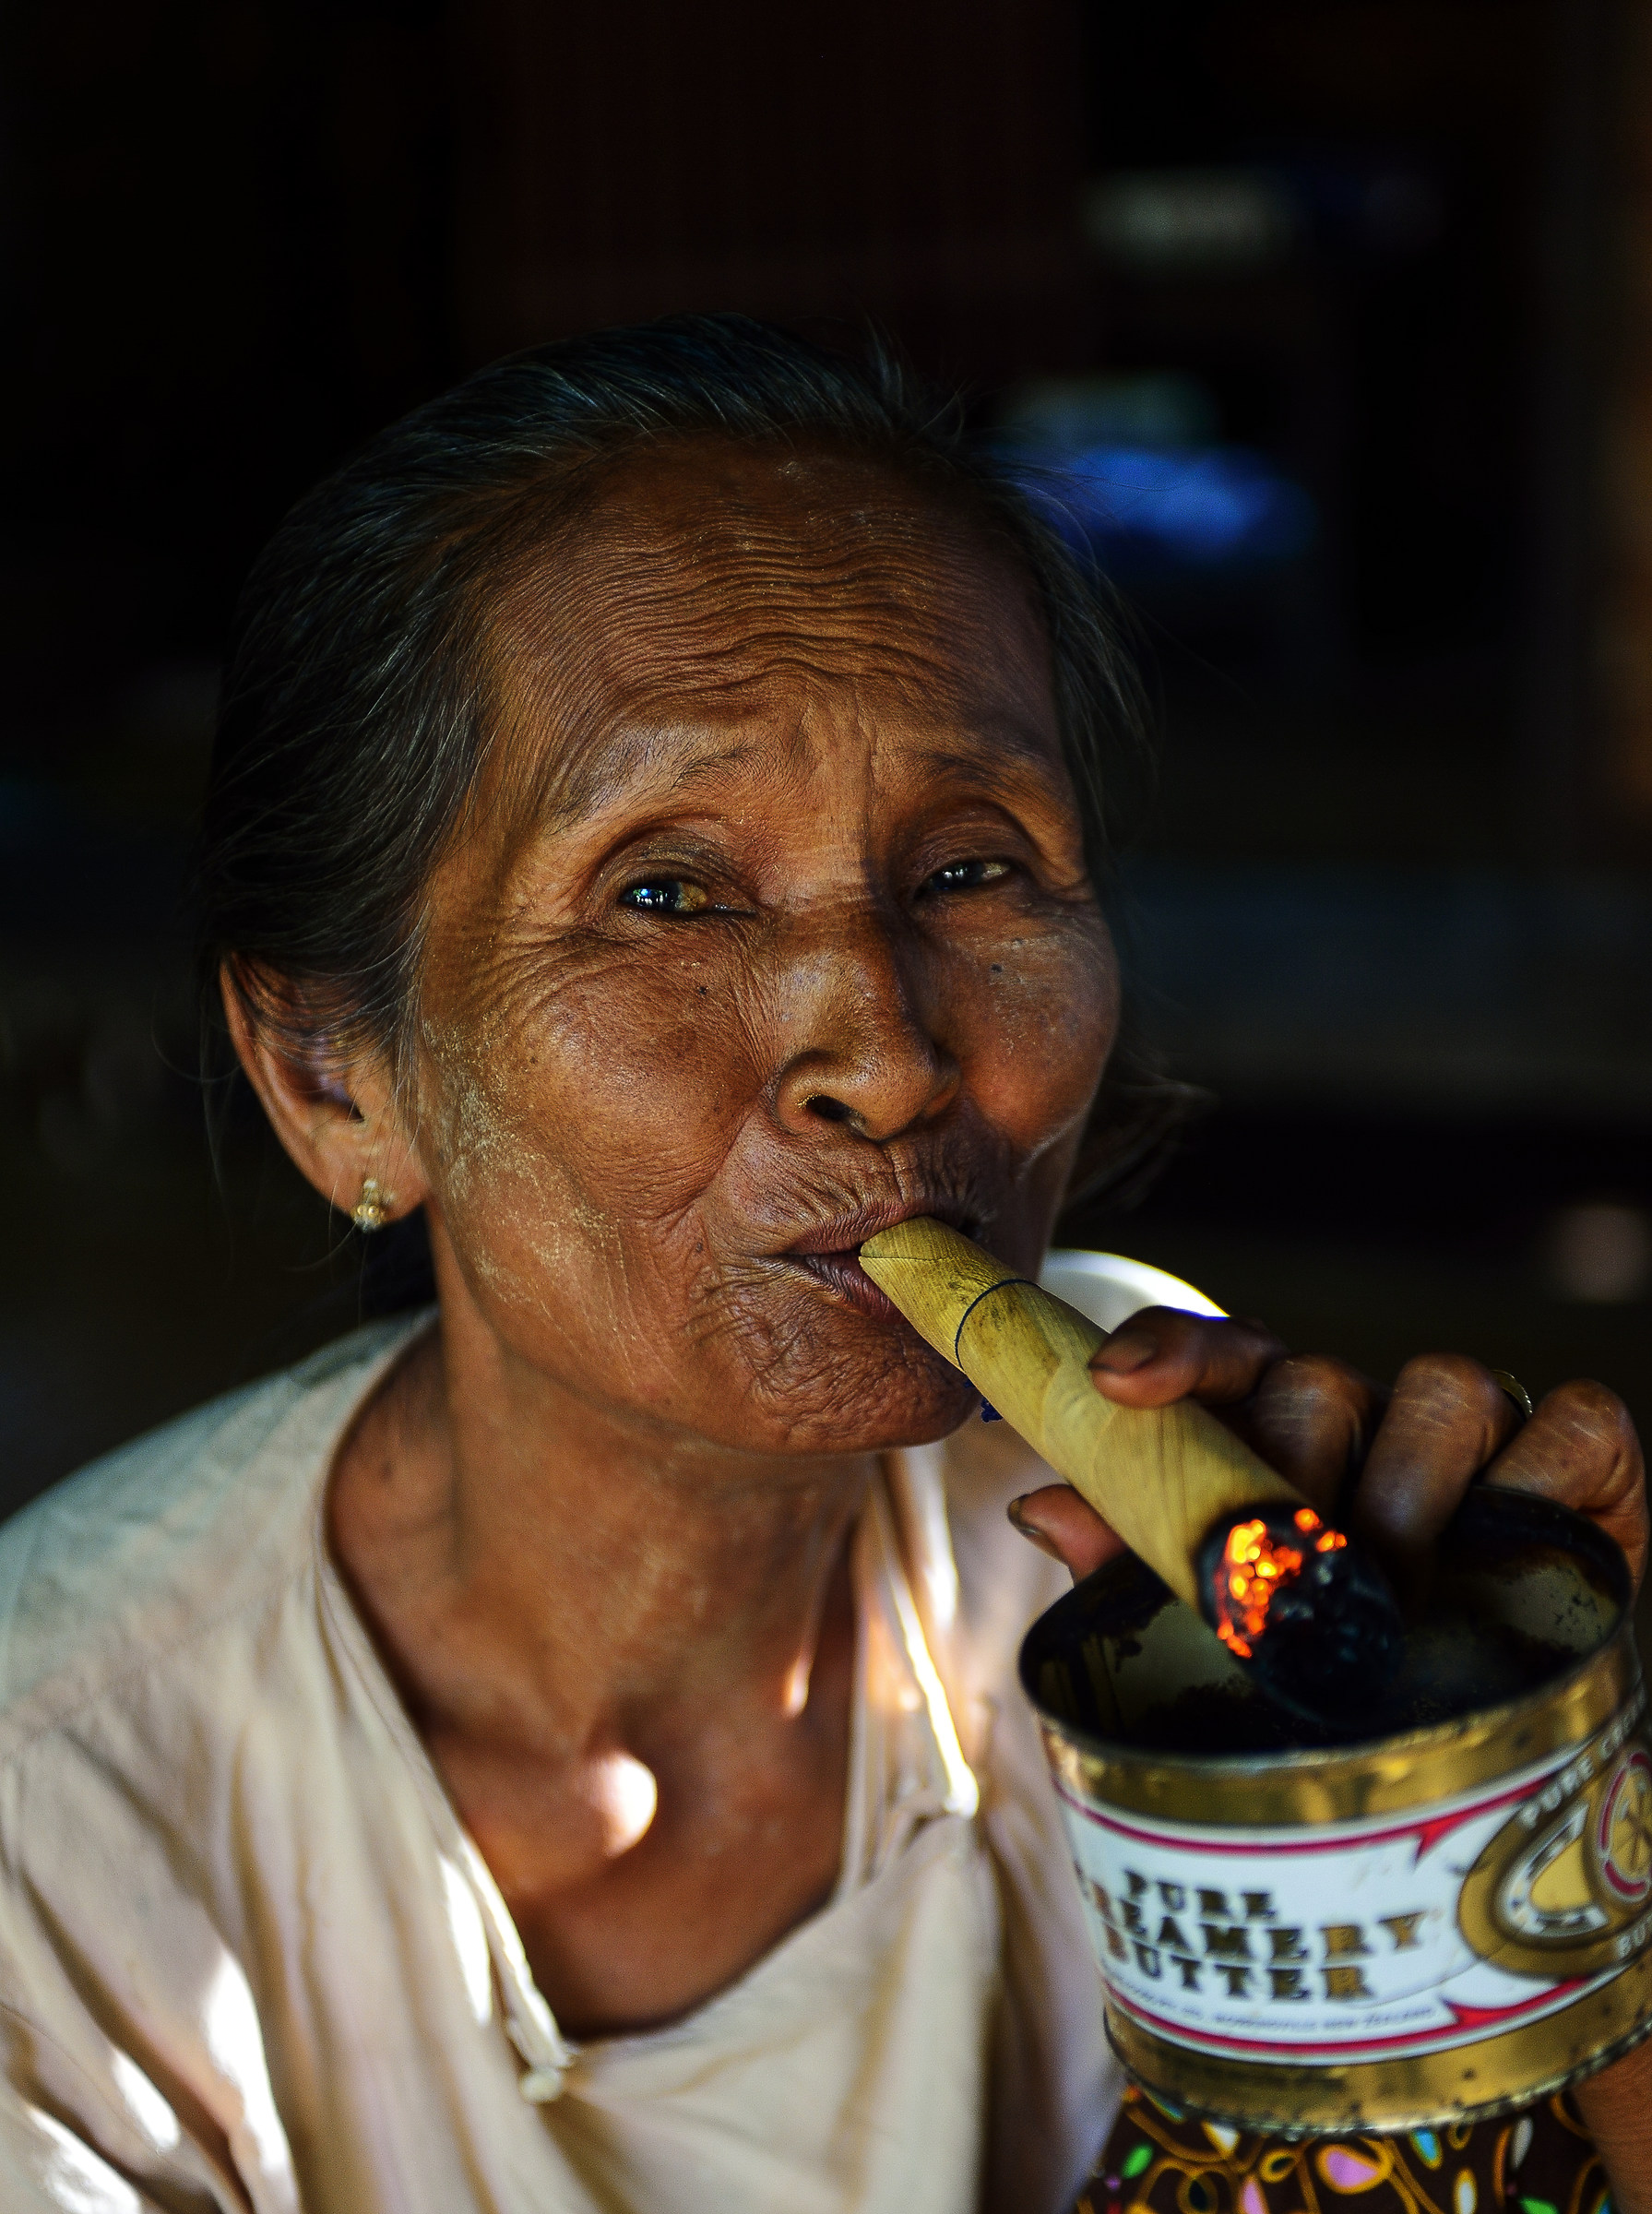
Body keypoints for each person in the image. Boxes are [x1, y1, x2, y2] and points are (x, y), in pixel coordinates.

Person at [0, 315, 1645, 2214]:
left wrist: (1521, 1798)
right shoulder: (62, 1842)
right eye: (664, 893)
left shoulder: (1171, 1540)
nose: (883, 1047)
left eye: (969, 870)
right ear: (331, 1079)